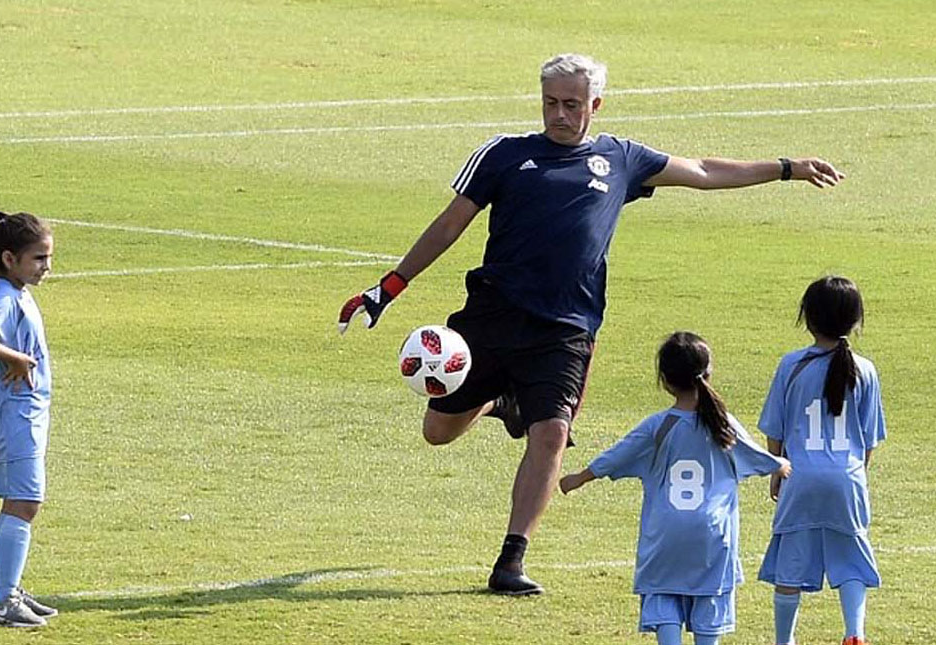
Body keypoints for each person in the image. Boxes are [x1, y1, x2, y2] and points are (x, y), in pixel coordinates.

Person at [338, 52, 845, 595]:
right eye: (551, 103)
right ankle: (501, 401)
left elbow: (702, 171)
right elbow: (449, 223)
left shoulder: (620, 158)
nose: (559, 114)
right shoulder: (505, 155)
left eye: (572, 104)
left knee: (552, 432)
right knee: (437, 432)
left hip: (566, 330)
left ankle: (511, 560)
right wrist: (390, 286)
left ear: (595, 105)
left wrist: (785, 167)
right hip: (491, 316)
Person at [559, 332, 790, 645]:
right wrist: (779, 464)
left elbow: (618, 455)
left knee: (663, 591)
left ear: (665, 380)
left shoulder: (659, 425)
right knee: (709, 598)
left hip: (665, 532)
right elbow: (754, 455)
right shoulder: (722, 423)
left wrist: (579, 477)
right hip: (712, 533)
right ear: (708, 374)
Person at [756, 276, 885, 645]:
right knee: (851, 553)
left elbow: (775, 428)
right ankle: (854, 632)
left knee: (791, 559)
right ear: (855, 321)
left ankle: (785, 640)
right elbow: (870, 437)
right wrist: (856, 474)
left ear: (808, 319)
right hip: (848, 475)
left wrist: (776, 470)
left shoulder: (791, 365)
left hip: (801, 473)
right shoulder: (865, 369)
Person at [0, 211, 58, 628]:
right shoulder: (4, 295)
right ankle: (2, 601)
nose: (46, 267)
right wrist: (17, 358)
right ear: (9, 258)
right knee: (24, 502)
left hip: (23, 415)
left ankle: (10, 590)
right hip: (13, 417)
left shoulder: (15, 291)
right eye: (38, 258)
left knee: (24, 501)